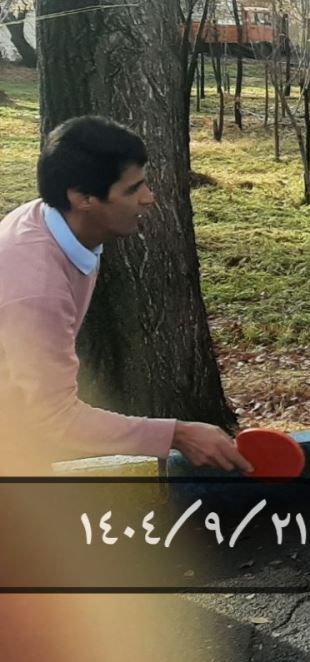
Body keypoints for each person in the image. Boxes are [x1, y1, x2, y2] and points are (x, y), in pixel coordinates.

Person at [0, 116, 251, 475]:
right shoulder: (37, 290)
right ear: (83, 199)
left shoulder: (51, 221)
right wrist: (178, 435)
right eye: (133, 190)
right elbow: (55, 418)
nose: (149, 198)